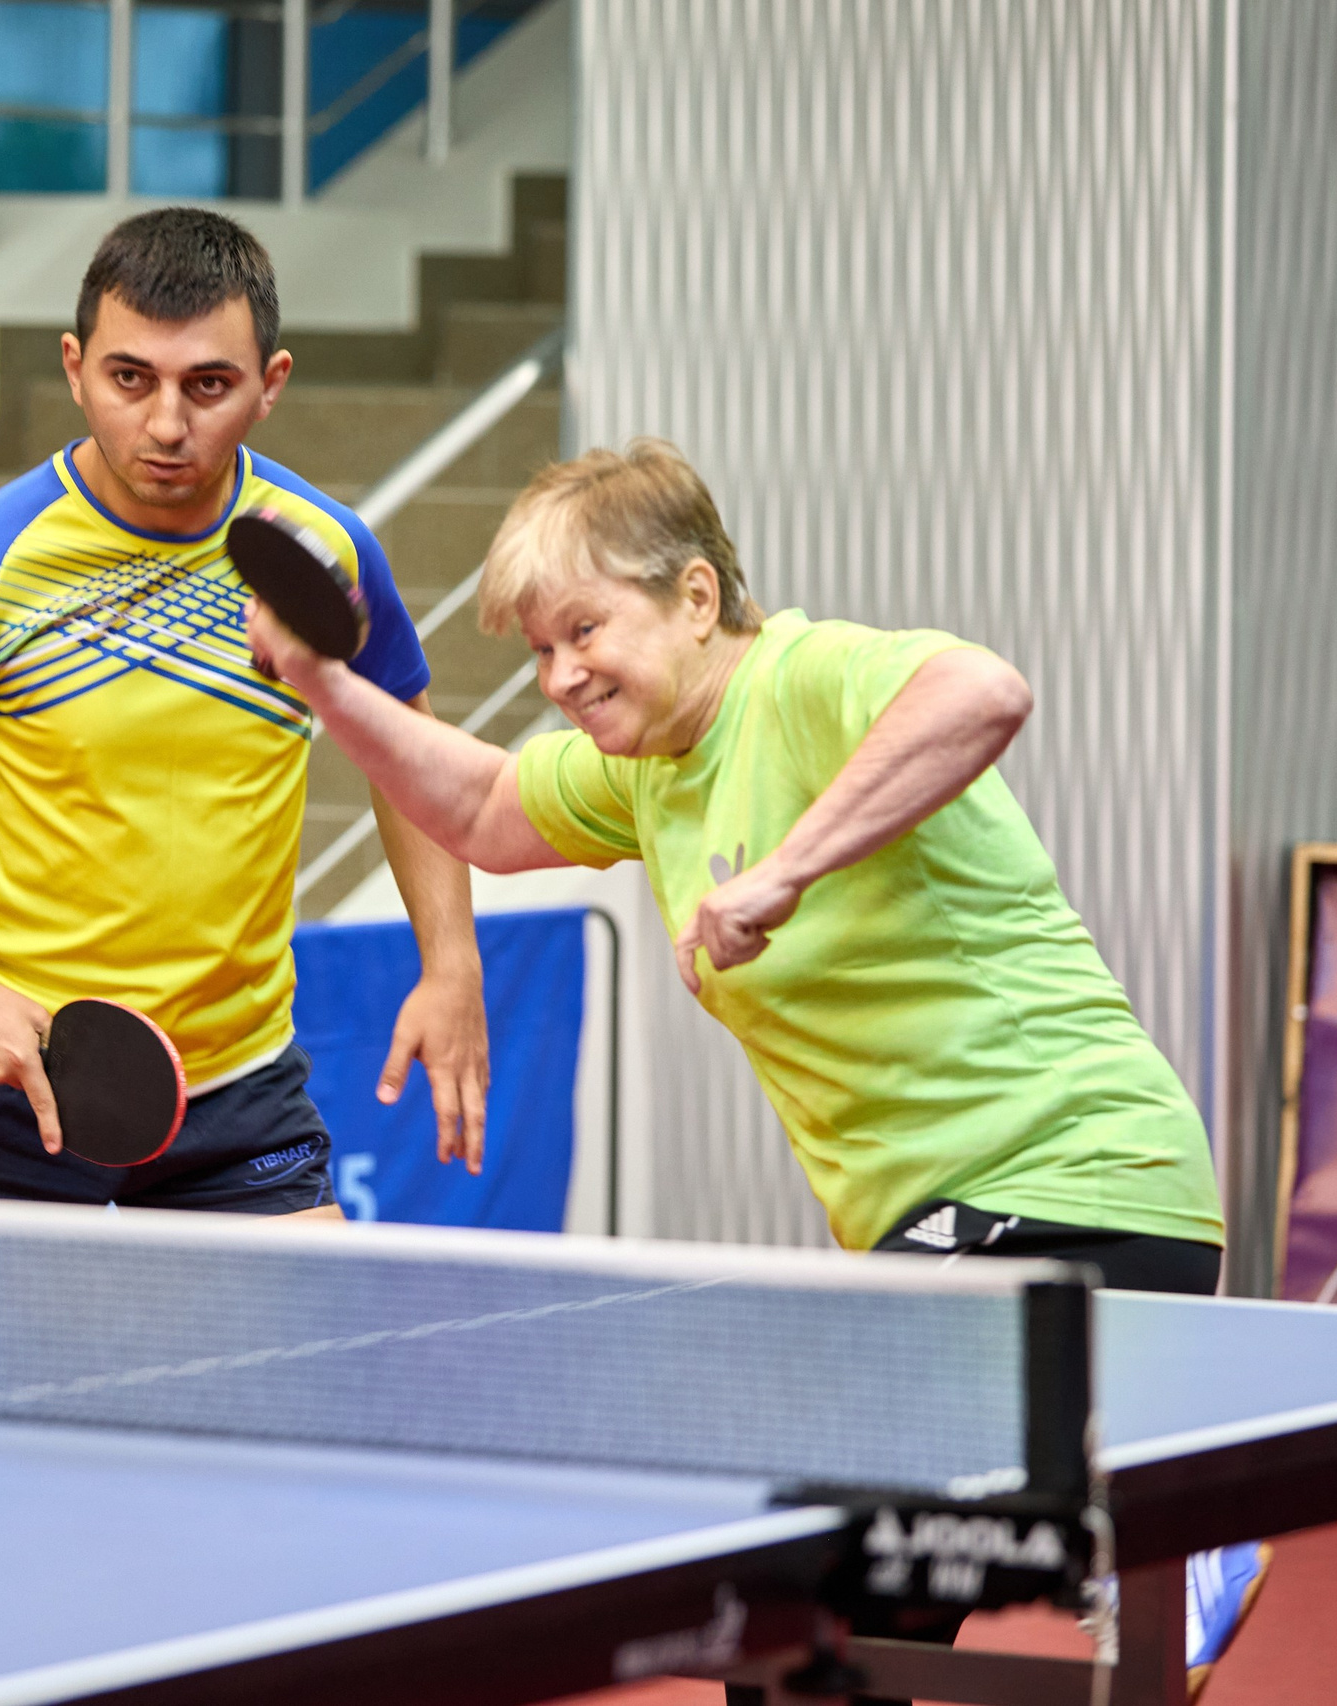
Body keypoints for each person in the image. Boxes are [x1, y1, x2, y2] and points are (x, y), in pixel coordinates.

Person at [242, 438, 1261, 1698]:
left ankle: (1128, 1527)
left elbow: (983, 691)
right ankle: (1126, 1539)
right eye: (540, 649)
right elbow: (484, 812)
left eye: (584, 630)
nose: (560, 676)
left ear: (695, 596)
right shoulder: (645, 771)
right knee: (805, 1627)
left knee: (801, 1570)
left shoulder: (801, 675)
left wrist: (786, 869)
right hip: (946, 1225)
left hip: (1071, 1181)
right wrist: (327, 686)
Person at [0, 207, 488, 1217]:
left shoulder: (322, 552)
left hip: (239, 1087)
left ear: (270, 384)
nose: (167, 424)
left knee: (313, 1328)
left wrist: (452, 963)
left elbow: (411, 756)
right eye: (131, 378)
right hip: (4, 1079)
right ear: (76, 368)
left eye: (208, 384)